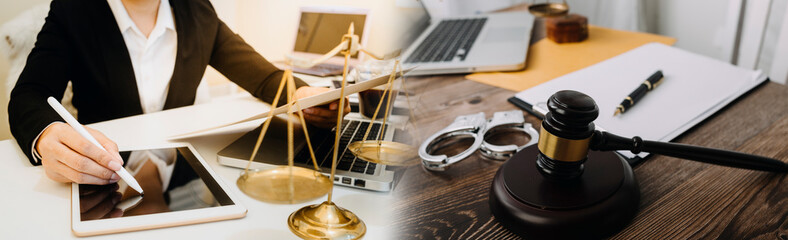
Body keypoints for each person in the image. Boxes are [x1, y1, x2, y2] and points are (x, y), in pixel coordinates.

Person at [8, 0, 348, 185]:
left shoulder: (198, 10)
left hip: (184, 177)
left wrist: (305, 94)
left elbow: (264, 77)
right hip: (105, 179)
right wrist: (48, 135)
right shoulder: (73, 11)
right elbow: (29, 95)